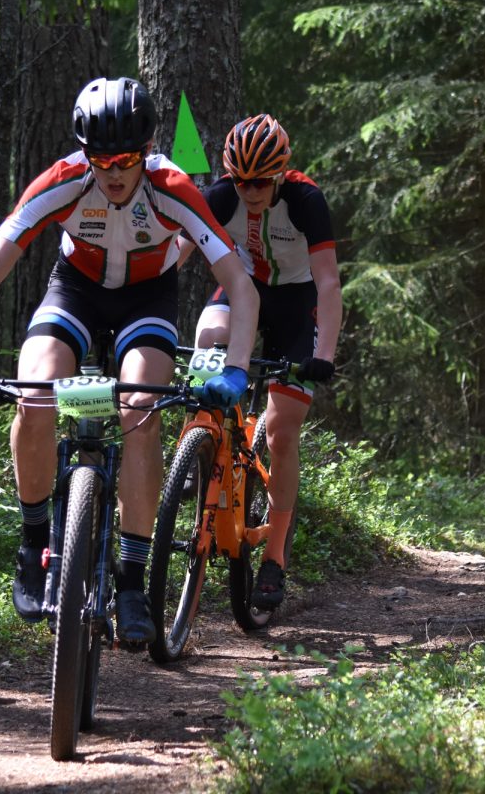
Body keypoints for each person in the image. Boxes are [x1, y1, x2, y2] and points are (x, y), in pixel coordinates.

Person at [0, 77, 258, 644]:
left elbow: (240, 284)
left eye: (126, 159)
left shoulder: (173, 187)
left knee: (141, 408)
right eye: (100, 158)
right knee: (34, 394)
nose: (112, 171)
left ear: (146, 151)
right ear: (84, 153)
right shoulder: (63, 180)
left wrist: (235, 368)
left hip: (146, 299)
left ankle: (131, 580)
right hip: (75, 291)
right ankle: (34, 542)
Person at [184, 114, 341, 610]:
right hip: (244, 291)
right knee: (209, 337)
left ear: (279, 175)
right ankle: (201, 441)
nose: (249, 191)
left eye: (259, 182)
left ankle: (274, 557)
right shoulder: (220, 196)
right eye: (240, 181)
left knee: (281, 433)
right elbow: (174, 256)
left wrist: (323, 355)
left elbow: (328, 282)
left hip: (297, 304)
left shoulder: (306, 201)